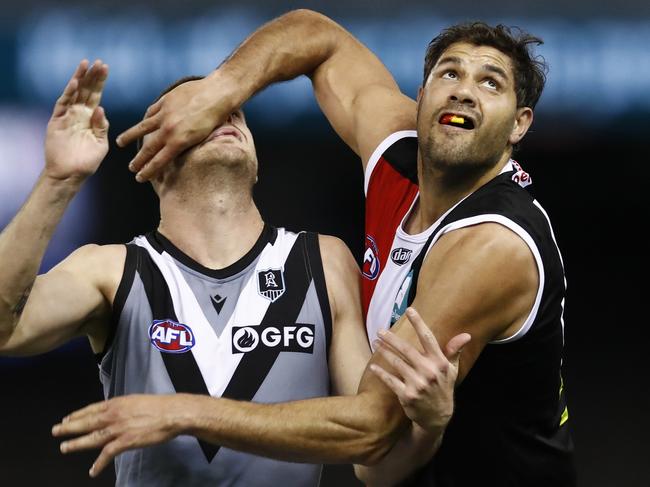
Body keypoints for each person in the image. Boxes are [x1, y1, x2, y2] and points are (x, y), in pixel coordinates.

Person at [59, 10, 576, 487]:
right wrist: (217, 93)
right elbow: (317, 37)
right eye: (450, 73)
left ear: (519, 124)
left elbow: (373, 429)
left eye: (491, 83)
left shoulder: (491, 242)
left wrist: (180, 412)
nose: (464, 92)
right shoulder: (398, 152)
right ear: (420, 98)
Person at [0, 61, 465, 486]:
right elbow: (5, 330)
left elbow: (376, 464)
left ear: (257, 162)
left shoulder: (322, 261)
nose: (223, 117)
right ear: (147, 161)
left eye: (233, 111)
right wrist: (59, 180)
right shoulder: (113, 267)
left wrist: (429, 424)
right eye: (196, 113)